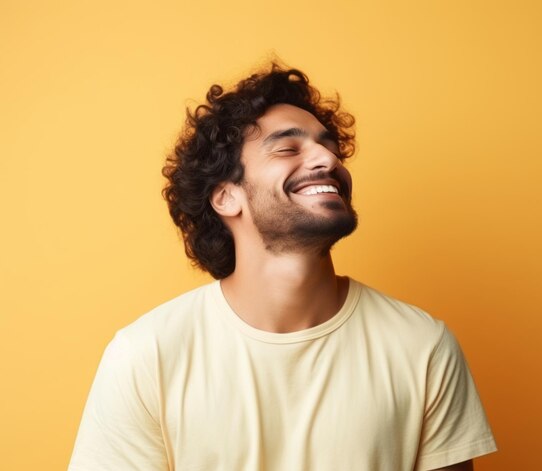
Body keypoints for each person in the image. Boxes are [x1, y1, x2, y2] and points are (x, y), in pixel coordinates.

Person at [69, 63, 497, 471]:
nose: (327, 160)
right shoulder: (146, 355)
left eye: (329, 147)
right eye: (289, 147)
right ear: (226, 197)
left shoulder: (423, 347)